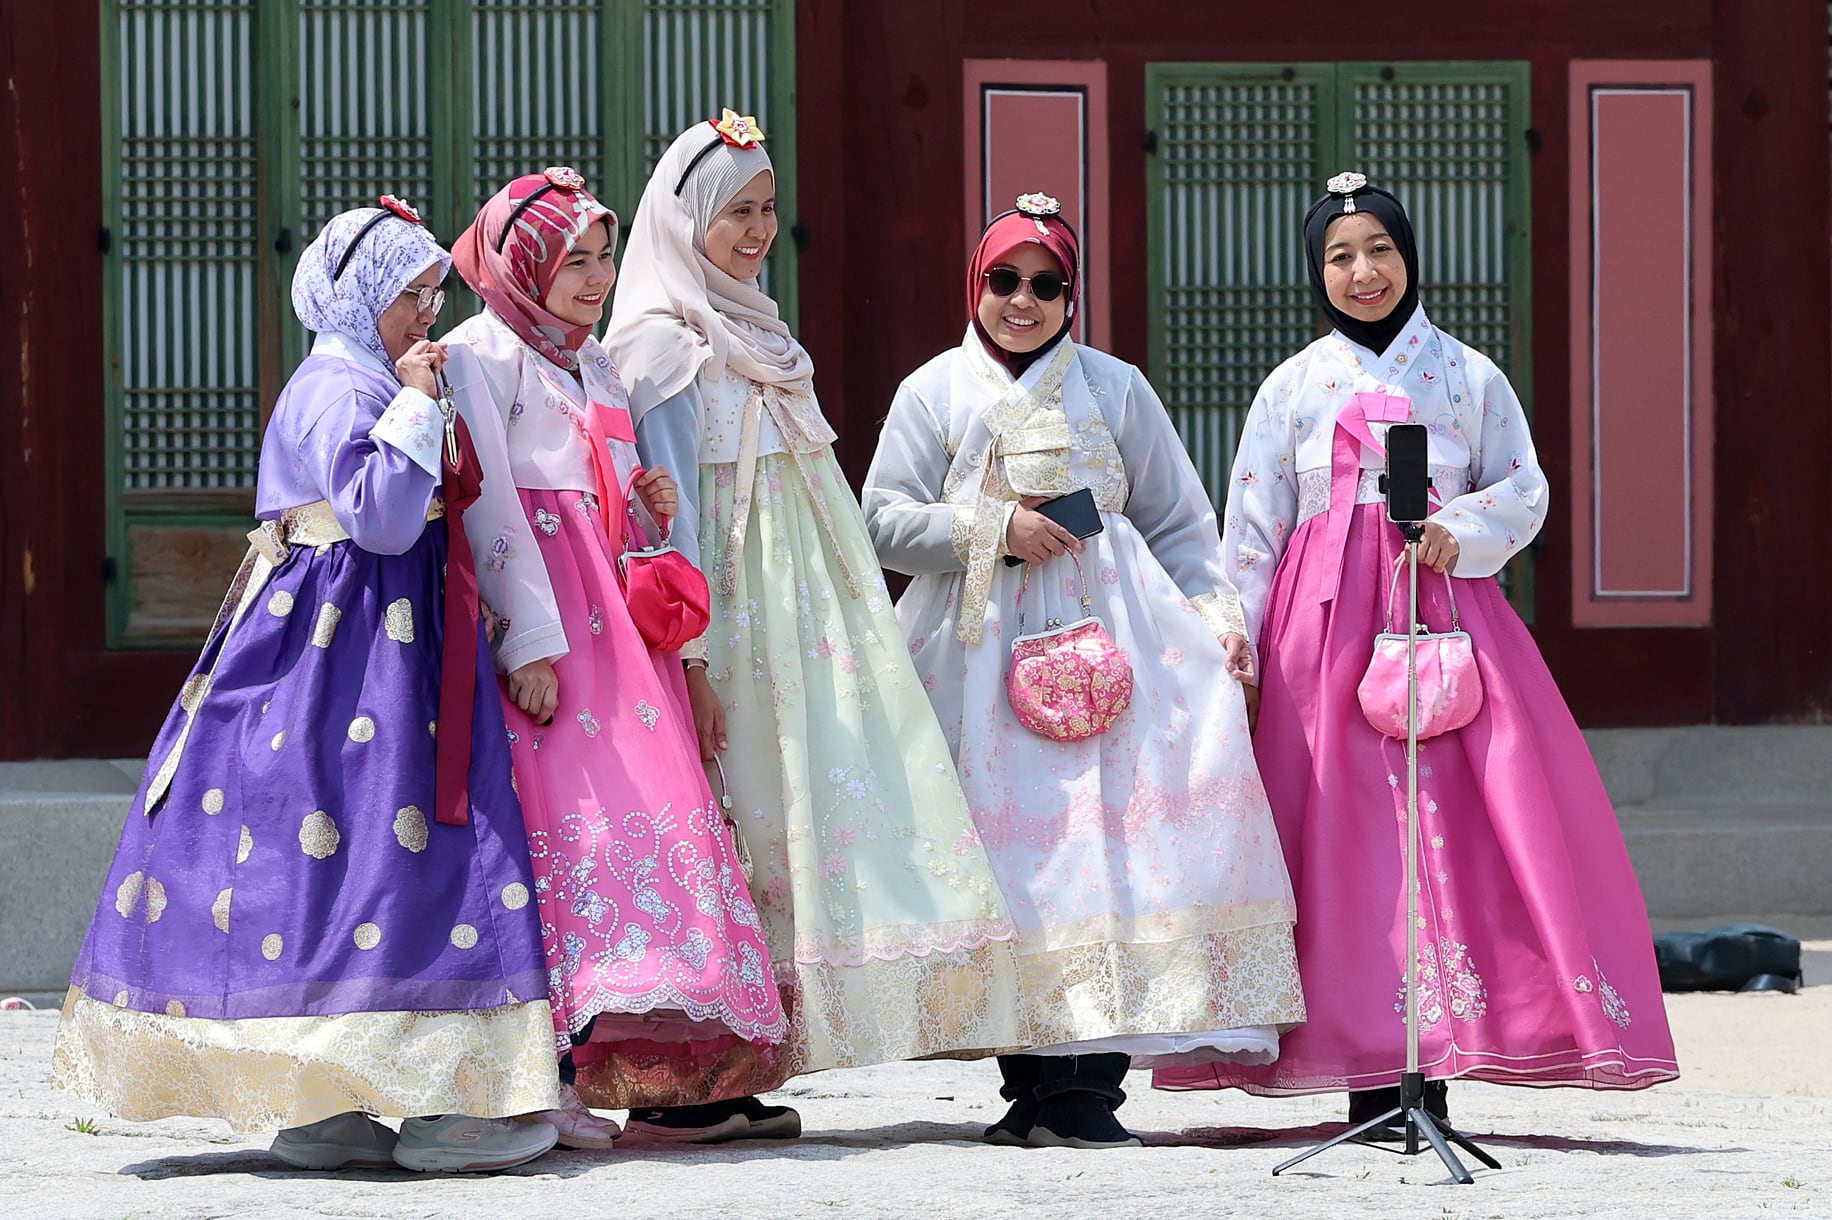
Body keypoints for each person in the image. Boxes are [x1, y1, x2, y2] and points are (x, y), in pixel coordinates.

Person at [1153, 172, 1679, 1124]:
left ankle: (1437, 1066)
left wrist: (1460, 528)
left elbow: (1524, 488)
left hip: (1442, 618)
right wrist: (1242, 649)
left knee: (1467, 831)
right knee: (1338, 843)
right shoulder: (1291, 387)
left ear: (1410, 256)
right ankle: (1360, 1069)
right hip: (1320, 641)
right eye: (1340, 257)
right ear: (1318, 272)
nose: (1364, 273)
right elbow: (1253, 531)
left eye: (1381, 251)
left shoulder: (1470, 376)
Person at [51, 199, 561, 1173]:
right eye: (411, 296)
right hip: (352, 652)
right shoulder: (341, 388)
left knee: (360, 858)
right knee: (376, 846)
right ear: (363, 296)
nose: (426, 313)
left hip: (376, 641)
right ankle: (416, 1098)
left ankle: (344, 1102)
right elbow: (376, 519)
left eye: (431, 294)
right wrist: (414, 406)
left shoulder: (366, 376)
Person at [605, 111, 1023, 1139]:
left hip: (800, 619)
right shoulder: (660, 344)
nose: (755, 231)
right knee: (723, 824)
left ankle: (745, 1063)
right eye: (734, 213)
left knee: (790, 819)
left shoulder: (758, 331)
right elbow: (663, 517)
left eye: (766, 210)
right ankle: (678, 1074)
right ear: (684, 219)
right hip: (727, 619)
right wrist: (691, 653)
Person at [862, 193, 1305, 1149]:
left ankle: (1085, 1089)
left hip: (1120, 645)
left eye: (1047, 284)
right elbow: (882, 519)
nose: (1023, 300)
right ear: (975, 286)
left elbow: (1180, 520)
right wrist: (994, 528)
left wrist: (1218, 618)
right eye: (1004, 280)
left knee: (1105, 860)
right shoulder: (933, 390)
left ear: (1073, 294)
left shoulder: (1116, 387)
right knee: (1009, 865)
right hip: (974, 649)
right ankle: (1026, 1082)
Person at [444, 167, 789, 1147]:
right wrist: (530, 644)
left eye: (602, 257)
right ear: (521, 264)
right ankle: (532, 1071)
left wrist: (647, 509)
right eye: (570, 259)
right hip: (549, 621)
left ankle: (596, 1062)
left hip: (614, 630)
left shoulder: (590, 364)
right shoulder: (481, 353)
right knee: (554, 841)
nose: (593, 279)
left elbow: (610, 490)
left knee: (624, 828)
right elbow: (493, 506)